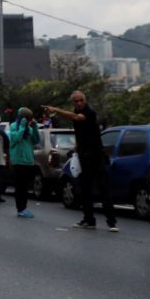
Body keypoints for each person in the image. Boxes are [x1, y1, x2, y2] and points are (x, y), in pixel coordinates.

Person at [44, 92, 117, 232]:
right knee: (85, 189)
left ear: (85, 100)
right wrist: (77, 147)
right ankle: (89, 219)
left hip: (96, 156)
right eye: (76, 101)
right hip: (84, 156)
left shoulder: (89, 112)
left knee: (103, 189)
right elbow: (81, 131)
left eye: (81, 100)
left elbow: (77, 118)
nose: (79, 103)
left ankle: (112, 222)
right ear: (72, 102)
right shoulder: (77, 111)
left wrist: (56, 110)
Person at [7, 108, 39, 217]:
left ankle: (23, 208)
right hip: (18, 160)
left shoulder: (29, 128)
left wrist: (34, 128)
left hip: (29, 160)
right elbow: (16, 139)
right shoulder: (13, 126)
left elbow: (36, 141)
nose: (27, 120)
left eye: (29, 118)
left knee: (25, 186)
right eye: (25, 117)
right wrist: (22, 126)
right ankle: (21, 209)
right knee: (20, 186)